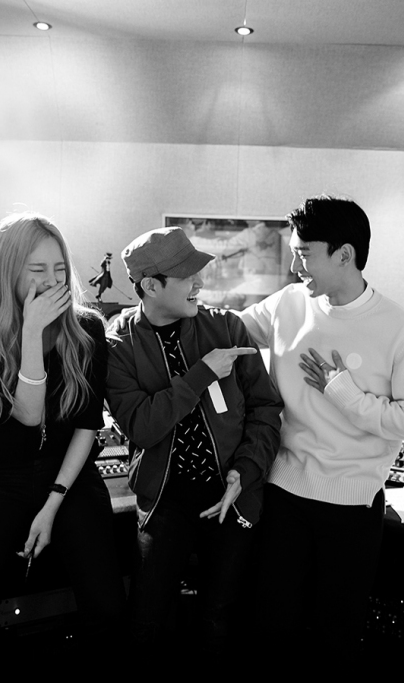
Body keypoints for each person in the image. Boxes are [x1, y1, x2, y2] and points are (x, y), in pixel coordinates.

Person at [239, 195, 404, 674]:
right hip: (284, 493)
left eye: (304, 254)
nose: (294, 267)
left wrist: (343, 392)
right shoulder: (288, 303)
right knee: (272, 625)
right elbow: (225, 332)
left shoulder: (400, 329)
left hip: (351, 506)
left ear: (344, 255)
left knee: (337, 637)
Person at [0, 212, 126, 680]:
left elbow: (87, 425)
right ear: (10, 272)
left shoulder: (87, 329)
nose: (53, 281)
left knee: (107, 608)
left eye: (60, 269)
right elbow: (26, 419)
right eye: (38, 269)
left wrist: (53, 503)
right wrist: (30, 334)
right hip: (3, 474)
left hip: (69, 474)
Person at [105, 226, 283, 667]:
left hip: (232, 495)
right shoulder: (118, 342)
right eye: (187, 276)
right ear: (150, 286)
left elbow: (265, 409)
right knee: (146, 619)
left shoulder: (226, 326)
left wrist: (246, 471)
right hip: (165, 501)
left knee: (219, 620)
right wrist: (202, 373)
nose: (199, 284)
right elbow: (142, 427)